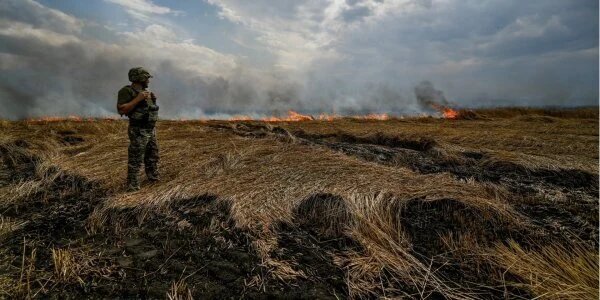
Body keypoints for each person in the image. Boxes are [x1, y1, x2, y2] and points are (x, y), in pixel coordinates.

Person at [116, 67, 160, 192]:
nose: (148, 81)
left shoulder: (146, 92)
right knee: (136, 159)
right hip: (138, 130)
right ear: (139, 78)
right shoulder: (127, 91)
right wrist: (138, 99)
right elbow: (122, 110)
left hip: (150, 130)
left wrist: (153, 101)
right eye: (146, 78)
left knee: (153, 156)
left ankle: (154, 180)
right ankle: (133, 187)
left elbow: (149, 110)